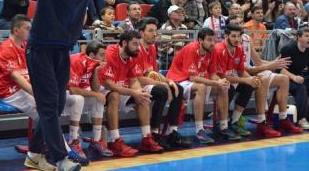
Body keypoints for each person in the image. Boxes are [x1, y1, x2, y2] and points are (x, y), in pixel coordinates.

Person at [20, 0, 143, 170]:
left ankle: (34, 153)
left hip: (63, 49)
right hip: (40, 48)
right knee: (48, 105)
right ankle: (59, 157)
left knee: (57, 103)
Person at [0, 15, 57, 170]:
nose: (31, 31)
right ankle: (62, 152)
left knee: (51, 108)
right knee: (45, 114)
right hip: (9, 92)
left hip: (26, 89)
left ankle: (48, 149)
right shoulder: (5, 48)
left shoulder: (27, 46)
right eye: (27, 28)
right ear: (16, 30)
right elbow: (16, 77)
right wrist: (38, 94)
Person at [99, 31, 163, 157]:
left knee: (143, 96)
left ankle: (146, 138)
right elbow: (108, 84)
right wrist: (133, 92)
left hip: (121, 88)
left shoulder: (131, 56)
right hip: (102, 89)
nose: (137, 48)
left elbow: (133, 81)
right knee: (114, 95)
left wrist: (139, 92)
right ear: (124, 43)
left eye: (138, 44)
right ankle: (115, 141)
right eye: (134, 44)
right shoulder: (110, 54)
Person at [166, 27, 236, 143]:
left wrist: (221, 81)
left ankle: (223, 127)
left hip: (196, 81)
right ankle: (199, 130)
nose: (213, 43)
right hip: (178, 80)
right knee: (201, 87)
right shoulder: (192, 49)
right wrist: (215, 82)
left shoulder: (211, 51)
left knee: (223, 87)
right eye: (209, 40)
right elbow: (192, 77)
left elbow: (213, 74)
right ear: (200, 40)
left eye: (214, 40)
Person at [134, 18, 190, 149]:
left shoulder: (152, 47)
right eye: (151, 31)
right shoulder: (136, 49)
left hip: (149, 82)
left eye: (156, 31)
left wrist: (168, 81)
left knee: (178, 88)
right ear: (142, 33)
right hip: (136, 84)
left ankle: (173, 132)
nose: (155, 34)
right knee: (162, 91)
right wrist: (162, 84)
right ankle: (154, 133)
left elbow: (154, 72)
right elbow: (137, 78)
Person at [65, 41, 112, 159]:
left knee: (99, 98)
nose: (104, 58)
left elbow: (95, 89)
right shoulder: (77, 61)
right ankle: (73, 141)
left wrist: (96, 71)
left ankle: (96, 141)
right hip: (62, 94)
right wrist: (95, 94)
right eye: (101, 55)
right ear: (91, 55)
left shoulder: (94, 64)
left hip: (77, 93)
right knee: (79, 98)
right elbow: (73, 90)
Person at [279, 28, 309, 130]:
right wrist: (294, 77)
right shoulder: (288, 49)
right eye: (306, 36)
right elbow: (281, 70)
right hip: (284, 79)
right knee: (301, 88)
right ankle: (302, 118)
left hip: (299, 78)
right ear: (298, 37)